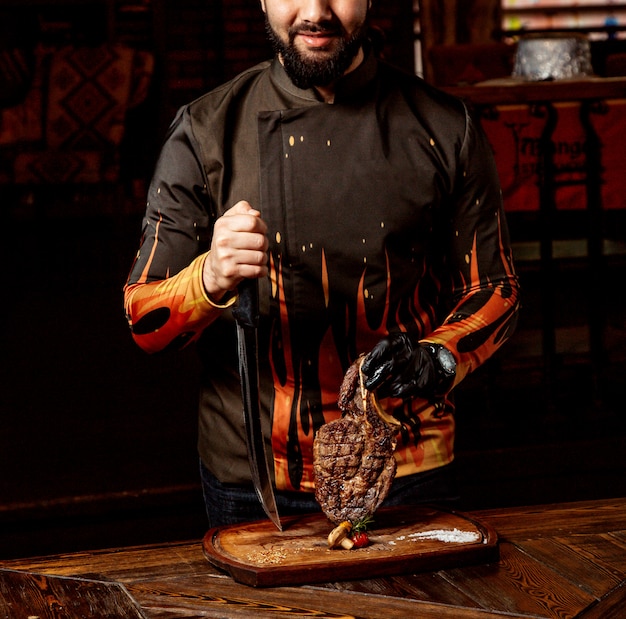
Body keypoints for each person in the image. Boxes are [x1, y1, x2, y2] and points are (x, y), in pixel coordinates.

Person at [123, 0, 520, 528]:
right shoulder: (206, 129)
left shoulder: (447, 127)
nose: (316, 11)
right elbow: (142, 320)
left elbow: (496, 286)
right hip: (251, 472)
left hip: (408, 463)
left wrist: (438, 359)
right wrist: (209, 276)